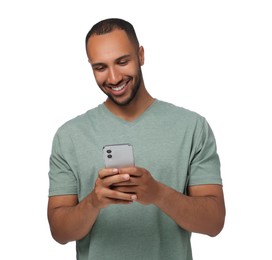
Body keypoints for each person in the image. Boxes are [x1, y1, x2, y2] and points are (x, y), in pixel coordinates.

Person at [47, 18, 225, 260]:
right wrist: (93, 202)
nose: (113, 78)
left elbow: (214, 222)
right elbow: (59, 233)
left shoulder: (192, 127)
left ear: (141, 55)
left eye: (122, 62)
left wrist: (158, 193)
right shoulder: (69, 136)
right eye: (100, 67)